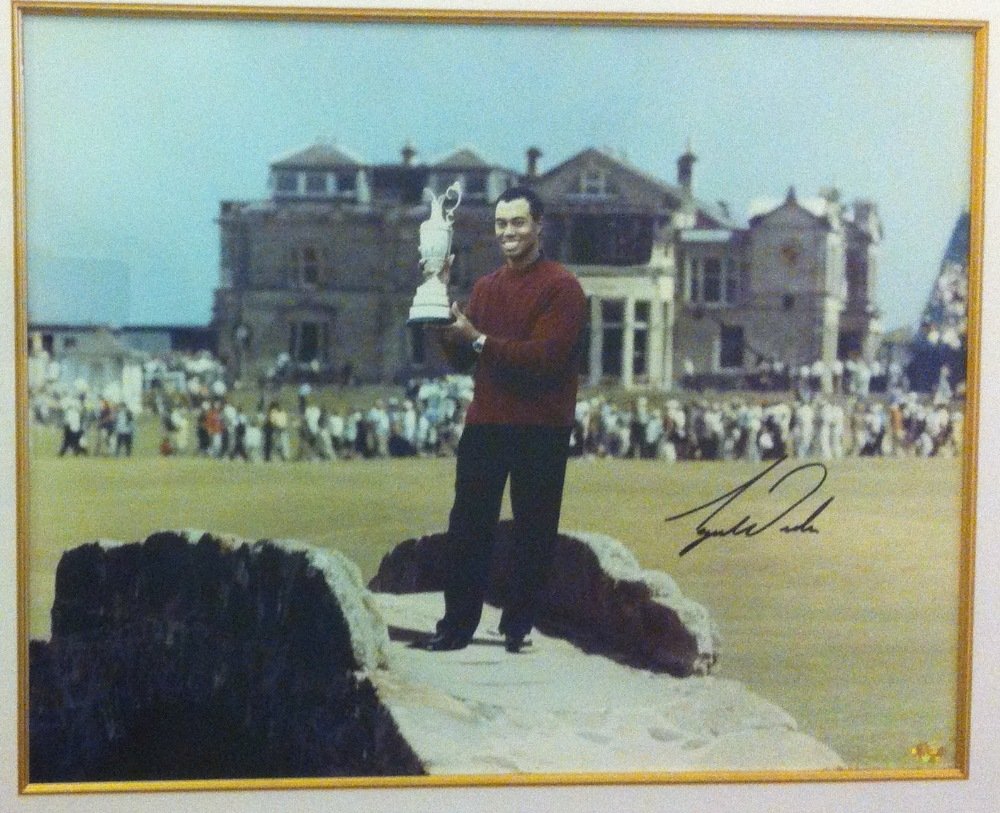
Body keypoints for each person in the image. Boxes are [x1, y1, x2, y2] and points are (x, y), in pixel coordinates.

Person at [425, 186, 587, 654]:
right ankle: (457, 625)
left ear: (539, 226)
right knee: (468, 526)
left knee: (533, 529)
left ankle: (517, 626)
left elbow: (544, 360)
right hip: (488, 421)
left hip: (542, 425)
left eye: (517, 222)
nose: (508, 232)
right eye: (501, 224)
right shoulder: (486, 287)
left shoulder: (563, 288)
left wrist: (477, 340)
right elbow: (462, 359)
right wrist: (441, 313)